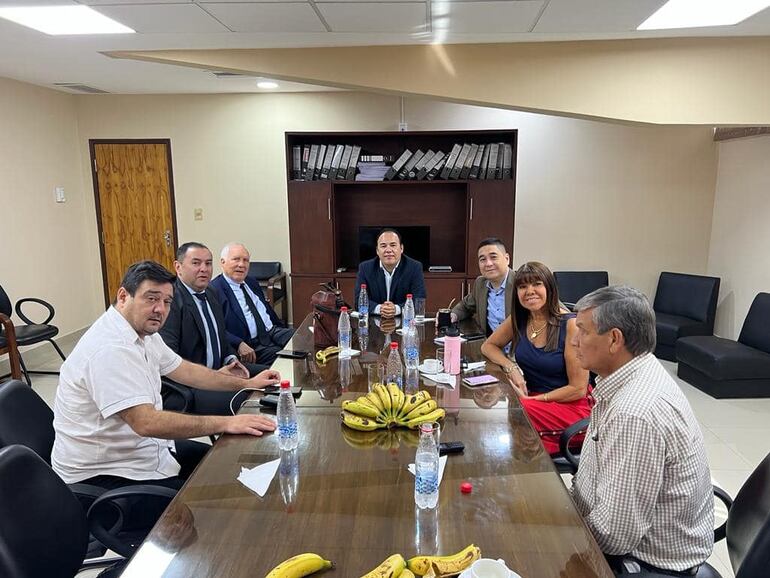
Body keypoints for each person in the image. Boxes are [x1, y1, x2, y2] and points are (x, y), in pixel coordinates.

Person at [52, 260, 280, 491]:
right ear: (123, 296)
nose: (160, 309)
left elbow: (186, 371)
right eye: (151, 298)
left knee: (226, 466)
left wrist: (247, 383)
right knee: (210, 503)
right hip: (109, 476)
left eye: (167, 301)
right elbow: (146, 422)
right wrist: (228, 423)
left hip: (145, 452)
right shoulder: (109, 349)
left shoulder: (143, 332)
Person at [570, 285, 713, 576]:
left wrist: (561, 538)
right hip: (623, 538)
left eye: (583, 331)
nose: (574, 341)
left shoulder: (634, 413)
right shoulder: (638, 369)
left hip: (644, 564)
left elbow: (615, 535)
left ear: (614, 339)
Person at [480, 261, 592, 454]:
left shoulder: (570, 325)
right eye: (523, 286)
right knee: (502, 410)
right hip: (532, 400)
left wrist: (537, 400)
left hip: (571, 407)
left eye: (536, 284)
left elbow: (578, 389)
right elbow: (488, 346)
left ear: (549, 287)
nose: (529, 291)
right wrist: (511, 367)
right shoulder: (521, 319)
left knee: (510, 414)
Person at [160, 242, 266, 415]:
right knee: (248, 403)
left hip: (220, 370)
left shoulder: (211, 292)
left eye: (208, 263)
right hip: (190, 386)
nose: (204, 269)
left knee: (270, 377)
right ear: (178, 267)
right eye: (196, 263)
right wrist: (215, 376)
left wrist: (231, 360)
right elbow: (169, 360)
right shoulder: (170, 302)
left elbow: (220, 336)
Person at [211, 242, 295, 367]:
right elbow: (214, 327)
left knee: (306, 339)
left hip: (272, 332)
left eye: (246, 260)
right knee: (287, 362)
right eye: (236, 259)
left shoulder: (250, 281)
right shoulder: (214, 290)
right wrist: (238, 343)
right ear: (222, 262)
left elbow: (264, 310)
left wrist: (279, 328)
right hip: (252, 345)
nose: (241, 264)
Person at [355, 228, 426, 319]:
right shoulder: (365, 268)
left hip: (404, 324)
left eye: (393, 245)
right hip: (374, 325)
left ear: (401, 248)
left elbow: (419, 301)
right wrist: (380, 309)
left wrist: (396, 309)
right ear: (377, 250)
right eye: (383, 246)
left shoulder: (414, 267)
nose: (388, 250)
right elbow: (358, 301)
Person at [451, 237, 513, 335]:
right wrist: (453, 315)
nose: (488, 264)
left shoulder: (522, 283)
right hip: (491, 347)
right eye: (483, 259)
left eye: (493, 257)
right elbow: (465, 306)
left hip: (519, 347)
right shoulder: (481, 283)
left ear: (507, 259)